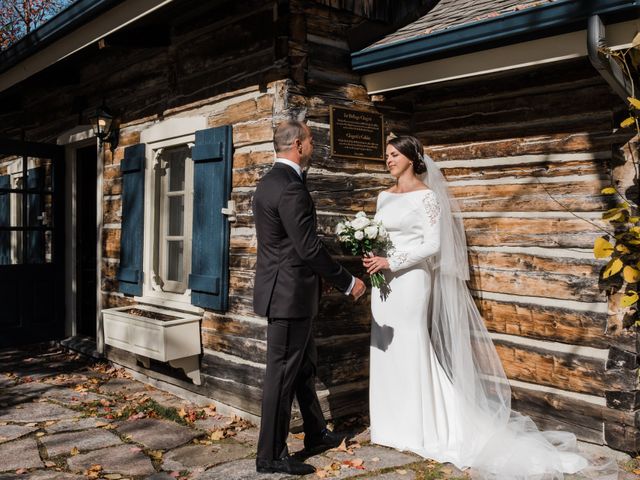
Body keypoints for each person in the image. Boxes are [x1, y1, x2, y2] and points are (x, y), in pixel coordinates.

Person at [362, 135, 617, 480]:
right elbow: (377, 234)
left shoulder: (428, 198)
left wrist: (393, 260)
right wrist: (369, 250)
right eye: (387, 155)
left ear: (411, 158)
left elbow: (434, 245)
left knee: (410, 344)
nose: (388, 160)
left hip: (411, 281)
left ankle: (418, 427)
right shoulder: (383, 196)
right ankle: (389, 425)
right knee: (385, 346)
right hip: (383, 281)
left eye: (394, 154)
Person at [253, 120, 366, 476]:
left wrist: (319, 279)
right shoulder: (290, 187)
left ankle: (316, 434)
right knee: (282, 376)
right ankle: (270, 456)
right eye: (312, 141)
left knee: (304, 368)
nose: (313, 147)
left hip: (290, 292)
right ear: (298, 145)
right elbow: (307, 247)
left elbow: (287, 245)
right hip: (289, 297)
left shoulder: (268, 182)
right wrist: (347, 281)